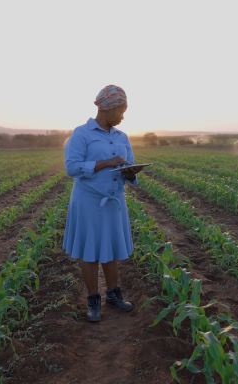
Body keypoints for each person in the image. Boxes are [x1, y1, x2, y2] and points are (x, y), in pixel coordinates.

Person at [63, 84, 144, 322]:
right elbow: (72, 167)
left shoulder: (122, 137)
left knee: (110, 249)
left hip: (114, 201)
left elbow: (128, 166)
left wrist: (130, 173)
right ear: (107, 109)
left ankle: (114, 295)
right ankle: (93, 300)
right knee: (90, 252)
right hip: (88, 201)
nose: (122, 116)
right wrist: (105, 163)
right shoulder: (82, 134)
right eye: (120, 110)